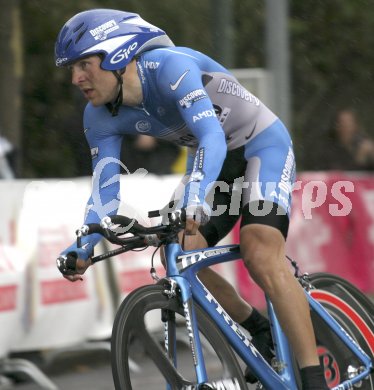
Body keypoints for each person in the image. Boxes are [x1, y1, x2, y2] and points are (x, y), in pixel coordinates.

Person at [55, 9, 328, 389]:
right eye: (71, 68)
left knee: (260, 250)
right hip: (216, 160)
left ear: (116, 54)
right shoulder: (98, 116)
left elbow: (213, 138)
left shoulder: (170, 68)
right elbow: (105, 191)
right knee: (179, 251)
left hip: (260, 145)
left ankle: (313, 376)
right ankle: (257, 328)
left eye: (84, 64)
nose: (76, 78)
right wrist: (84, 243)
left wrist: (195, 198)